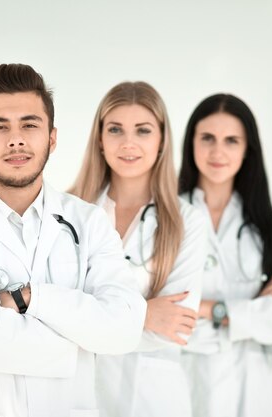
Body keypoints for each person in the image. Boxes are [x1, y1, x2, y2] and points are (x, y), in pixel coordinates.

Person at [0, 63, 146, 417]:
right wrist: (84, 340)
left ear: (52, 138)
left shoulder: (89, 222)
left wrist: (29, 298)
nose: (16, 139)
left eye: (29, 124)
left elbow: (126, 329)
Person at [69, 81, 206, 417]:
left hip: (154, 399)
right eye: (115, 129)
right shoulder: (66, 212)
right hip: (77, 392)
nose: (128, 143)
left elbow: (176, 325)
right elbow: (50, 313)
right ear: (100, 139)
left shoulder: (186, 221)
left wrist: (87, 320)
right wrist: (145, 314)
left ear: (161, 141)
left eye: (142, 131)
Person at [178, 94, 272, 417]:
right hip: (185, 382)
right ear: (191, 143)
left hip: (255, 387)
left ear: (248, 149)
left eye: (231, 140)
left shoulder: (271, 225)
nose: (218, 151)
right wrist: (250, 311)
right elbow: (166, 318)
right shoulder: (168, 217)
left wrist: (208, 309)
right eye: (207, 138)